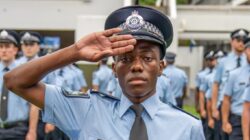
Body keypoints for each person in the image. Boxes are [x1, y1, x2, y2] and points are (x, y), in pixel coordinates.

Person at [4, 6, 204, 139]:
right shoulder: (87, 111)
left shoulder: (188, 127)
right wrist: (75, 52)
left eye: (147, 58)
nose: (136, 66)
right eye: (125, 58)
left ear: (161, 67)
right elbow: (14, 81)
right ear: (114, 69)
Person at [212, 28, 248, 140]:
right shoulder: (223, 62)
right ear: (232, 41)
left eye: (244, 41)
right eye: (238, 40)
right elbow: (216, 84)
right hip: (225, 105)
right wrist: (214, 108)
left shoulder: (247, 61)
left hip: (244, 107)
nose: (241, 43)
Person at [0, 29, 36, 139]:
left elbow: (33, 105)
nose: (4, 50)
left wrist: (32, 131)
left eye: (7, 46)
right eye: (1, 47)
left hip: (18, 130)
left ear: (15, 50)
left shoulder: (25, 72)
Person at [221, 36, 250, 140]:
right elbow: (226, 99)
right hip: (237, 121)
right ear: (246, 51)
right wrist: (225, 121)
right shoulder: (235, 74)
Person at [199, 50, 217, 140]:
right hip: (208, 105)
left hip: (217, 107)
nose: (211, 61)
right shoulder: (204, 75)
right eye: (209, 59)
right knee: (208, 133)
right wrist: (202, 109)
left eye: (212, 59)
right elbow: (201, 93)